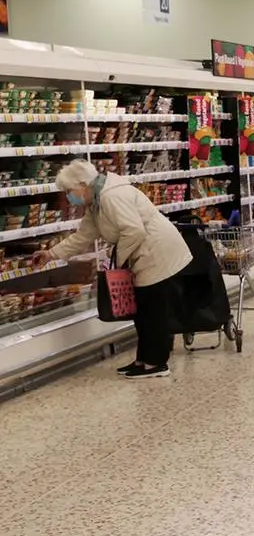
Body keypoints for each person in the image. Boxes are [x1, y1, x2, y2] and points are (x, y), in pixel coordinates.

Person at [34, 159, 192, 379]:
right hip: (142, 253)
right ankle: (143, 360)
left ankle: (156, 363)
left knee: (152, 310)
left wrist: (118, 256)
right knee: (143, 310)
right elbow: (83, 236)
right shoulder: (95, 202)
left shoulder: (111, 196)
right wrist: (51, 254)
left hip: (157, 251)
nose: (69, 197)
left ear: (82, 184)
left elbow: (134, 231)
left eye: (69, 191)